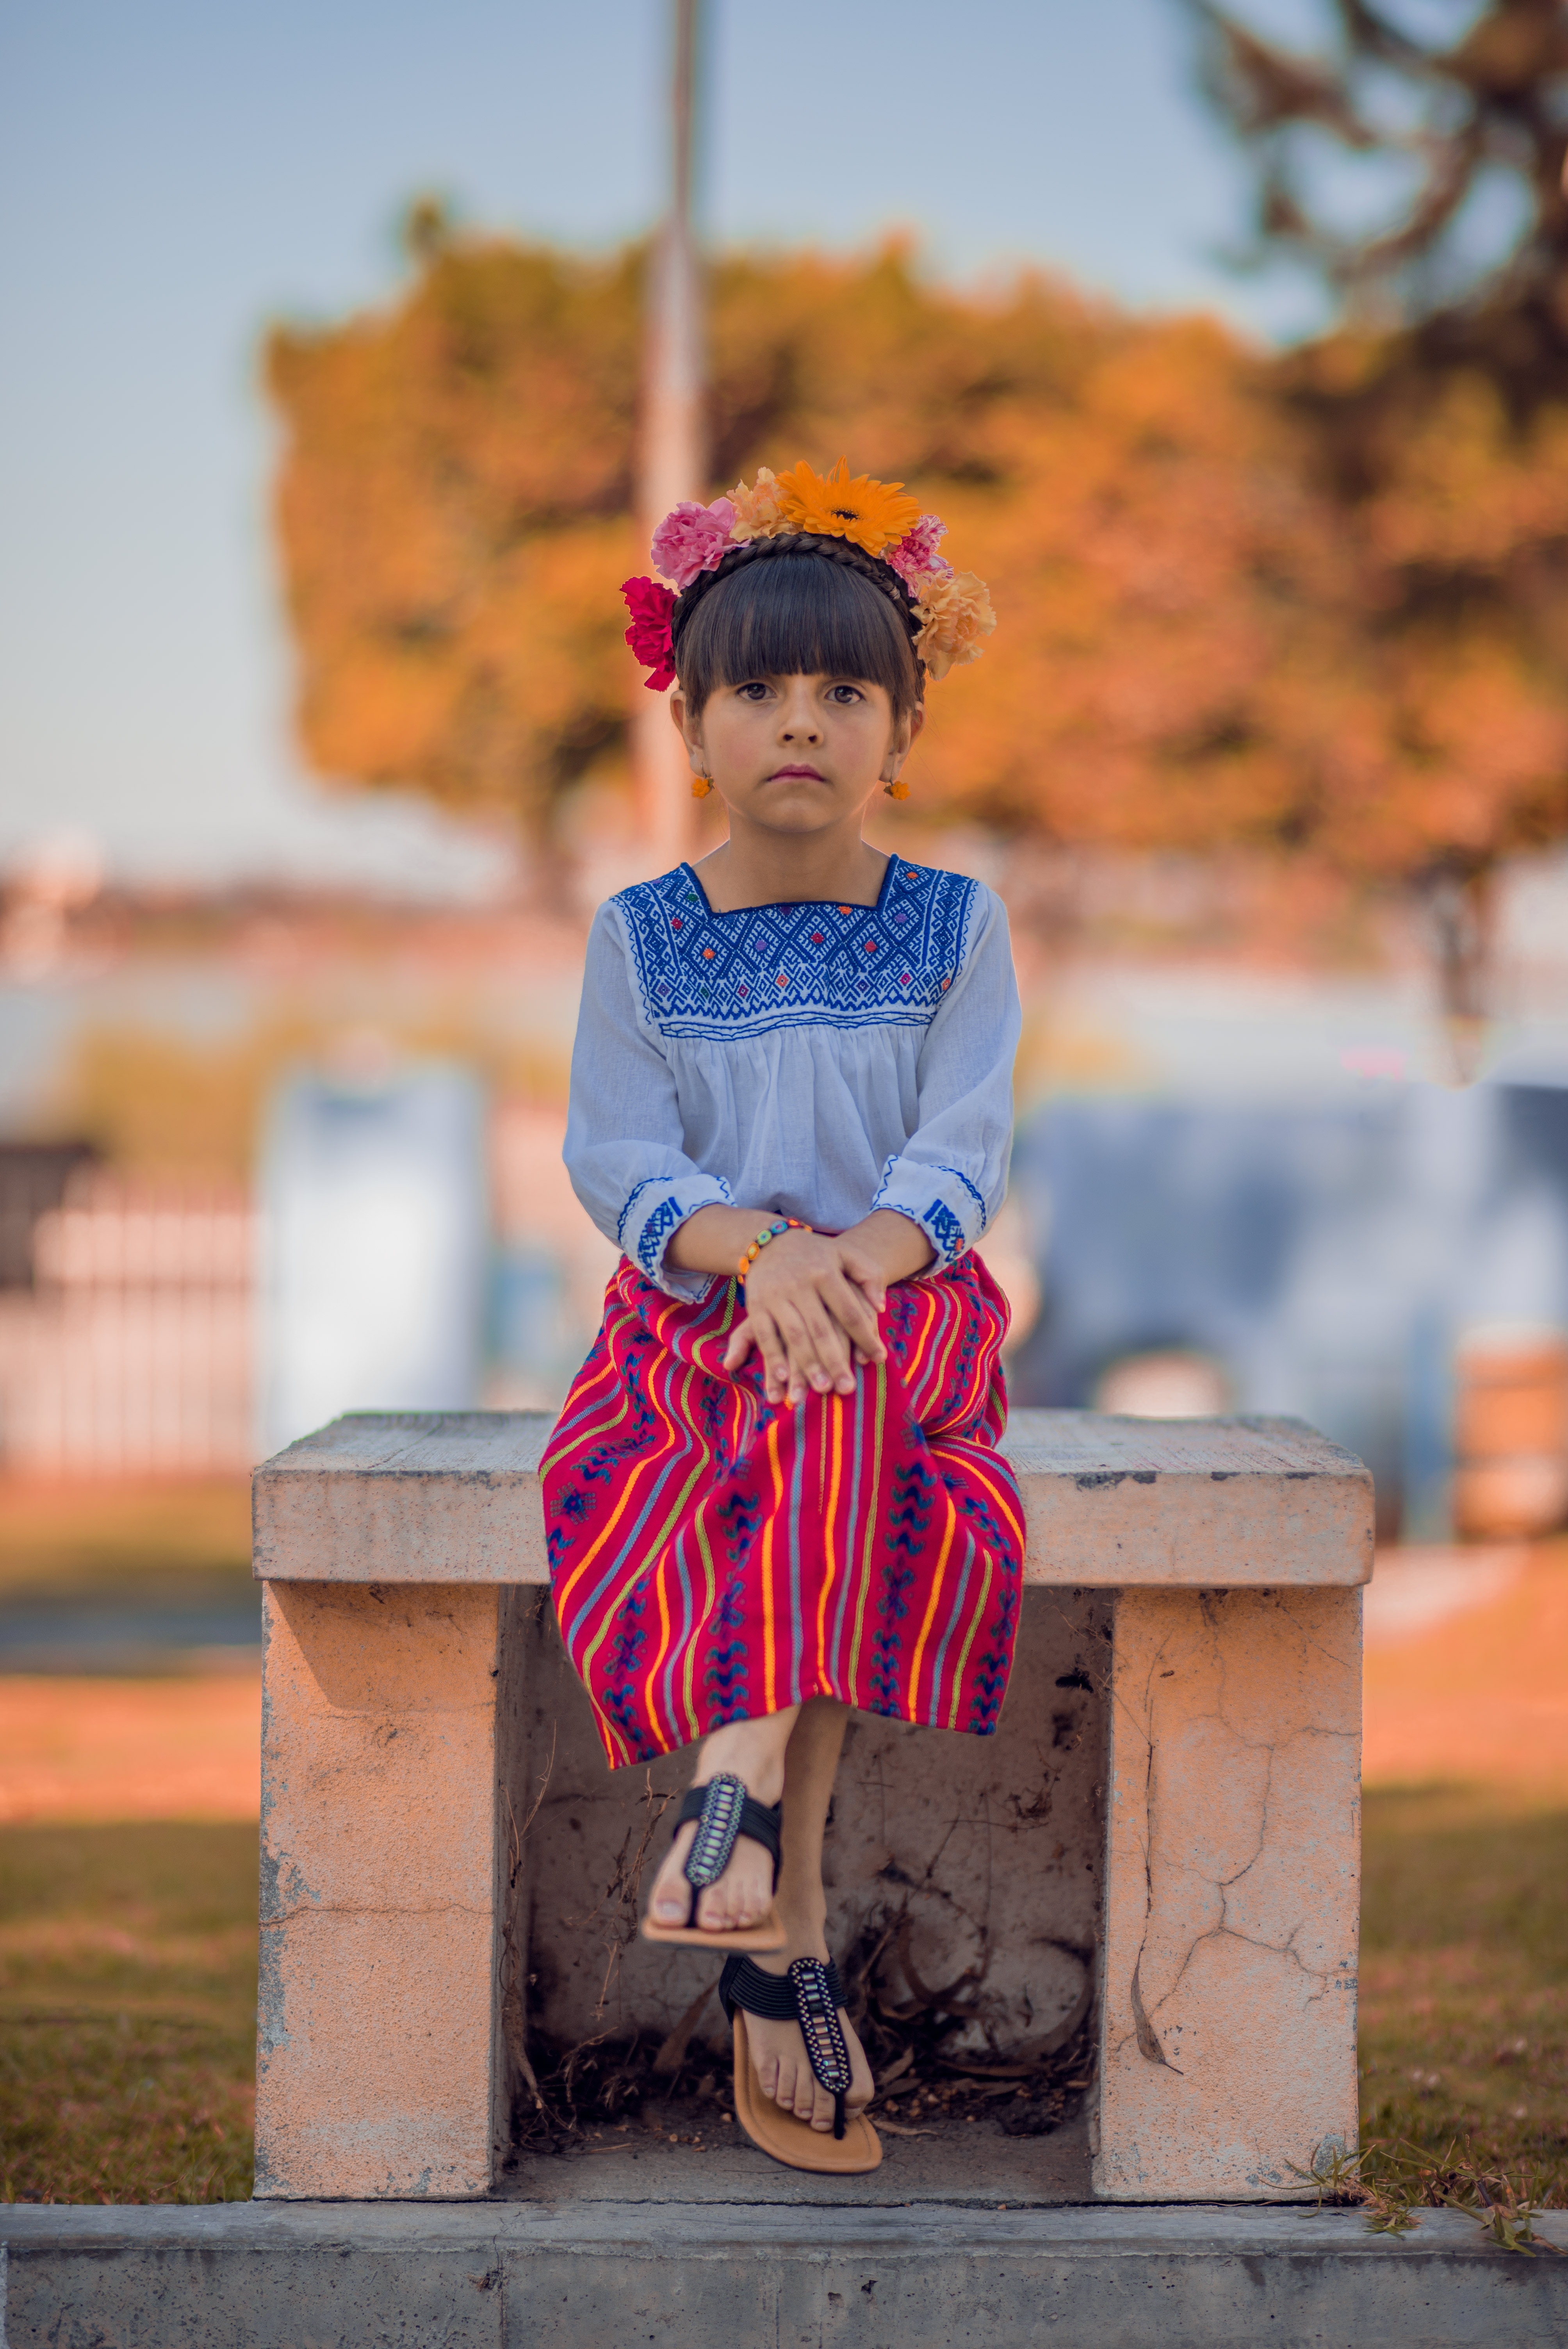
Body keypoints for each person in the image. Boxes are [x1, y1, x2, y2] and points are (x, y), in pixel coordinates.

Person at [542, 458, 1024, 2174]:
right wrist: (763, 1258)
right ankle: (777, 1932)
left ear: (901, 730)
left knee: (840, 1381)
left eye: (844, 690)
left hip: (907, 1307)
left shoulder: (955, 926)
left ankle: (737, 1820)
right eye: (753, 688)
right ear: (689, 726)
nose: (798, 722)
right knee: (817, 1401)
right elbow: (617, 1157)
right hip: (698, 1316)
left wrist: (843, 1266)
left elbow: (958, 1151)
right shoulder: (641, 940)